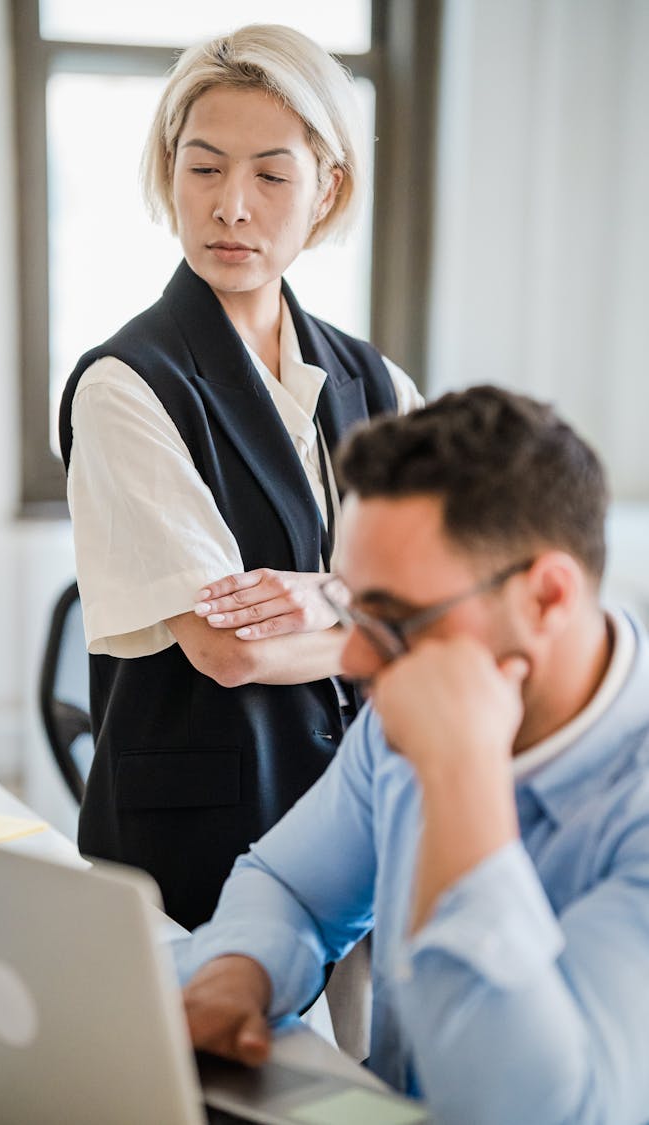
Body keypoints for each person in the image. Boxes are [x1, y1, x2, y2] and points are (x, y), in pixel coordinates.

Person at [176, 386, 649, 1125]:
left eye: (395, 617)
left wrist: (463, 774)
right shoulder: (404, 695)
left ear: (548, 598)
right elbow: (291, 885)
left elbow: (537, 1112)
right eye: (350, 608)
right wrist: (238, 971)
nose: (355, 655)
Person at [58, 24, 422, 932]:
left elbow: (452, 597)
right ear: (170, 171)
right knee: (216, 1074)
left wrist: (331, 595)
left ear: (326, 187)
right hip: (203, 841)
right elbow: (231, 650)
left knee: (380, 1072)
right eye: (204, 167)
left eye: (270, 174)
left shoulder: (380, 382)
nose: (231, 206)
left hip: (371, 815)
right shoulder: (126, 386)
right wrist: (383, 627)